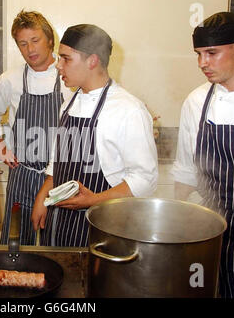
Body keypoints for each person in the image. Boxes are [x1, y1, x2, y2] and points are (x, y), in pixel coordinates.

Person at [31, 24, 158, 247]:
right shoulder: (69, 103)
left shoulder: (128, 110)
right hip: (59, 223)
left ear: (92, 60)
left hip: (102, 227)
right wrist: (43, 196)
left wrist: (93, 200)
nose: (58, 66)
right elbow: (57, 162)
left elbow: (145, 179)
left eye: (66, 59)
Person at [172, 12, 234, 298]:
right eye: (199, 54)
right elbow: (187, 170)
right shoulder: (197, 100)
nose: (203, 63)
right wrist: (175, 221)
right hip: (208, 225)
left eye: (211, 53)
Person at [0, 10, 73, 245]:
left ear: (49, 39)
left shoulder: (70, 79)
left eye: (35, 41)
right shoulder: (9, 80)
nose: (30, 49)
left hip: (59, 178)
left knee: (56, 245)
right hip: (22, 175)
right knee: (15, 244)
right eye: (23, 44)